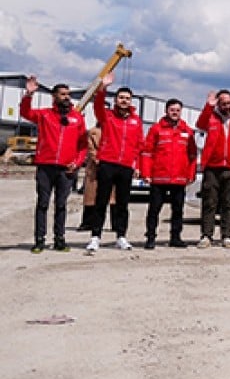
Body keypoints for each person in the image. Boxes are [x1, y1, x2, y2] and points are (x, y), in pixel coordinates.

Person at [20, 76, 88, 254]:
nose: (67, 97)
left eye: (68, 94)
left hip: (66, 169)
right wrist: (28, 95)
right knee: (42, 204)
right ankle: (39, 240)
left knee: (61, 205)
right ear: (54, 96)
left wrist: (77, 163)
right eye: (63, 94)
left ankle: (59, 240)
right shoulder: (44, 115)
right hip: (46, 167)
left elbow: (83, 145)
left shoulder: (77, 118)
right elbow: (25, 113)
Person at [86, 73, 145, 253]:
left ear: (131, 101)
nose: (124, 100)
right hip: (107, 163)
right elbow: (97, 106)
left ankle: (121, 236)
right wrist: (103, 89)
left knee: (122, 203)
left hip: (126, 166)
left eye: (127, 98)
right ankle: (95, 237)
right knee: (101, 201)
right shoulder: (107, 116)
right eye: (121, 97)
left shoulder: (136, 121)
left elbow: (139, 145)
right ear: (116, 100)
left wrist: (137, 165)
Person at [140, 98, 198, 249]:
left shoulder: (187, 131)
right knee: (154, 210)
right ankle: (150, 237)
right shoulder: (156, 129)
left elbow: (192, 155)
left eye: (177, 110)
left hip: (179, 178)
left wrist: (190, 174)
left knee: (178, 210)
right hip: (159, 178)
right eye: (172, 110)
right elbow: (147, 152)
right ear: (166, 111)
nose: (175, 113)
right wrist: (146, 173)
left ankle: (175, 238)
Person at [196, 89, 230, 248]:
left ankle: (227, 236)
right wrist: (208, 106)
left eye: (229, 103)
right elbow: (200, 124)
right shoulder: (211, 116)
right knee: (210, 202)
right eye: (223, 103)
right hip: (212, 167)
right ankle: (206, 235)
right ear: (218, 104)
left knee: (229, 202)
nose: (226, 106)